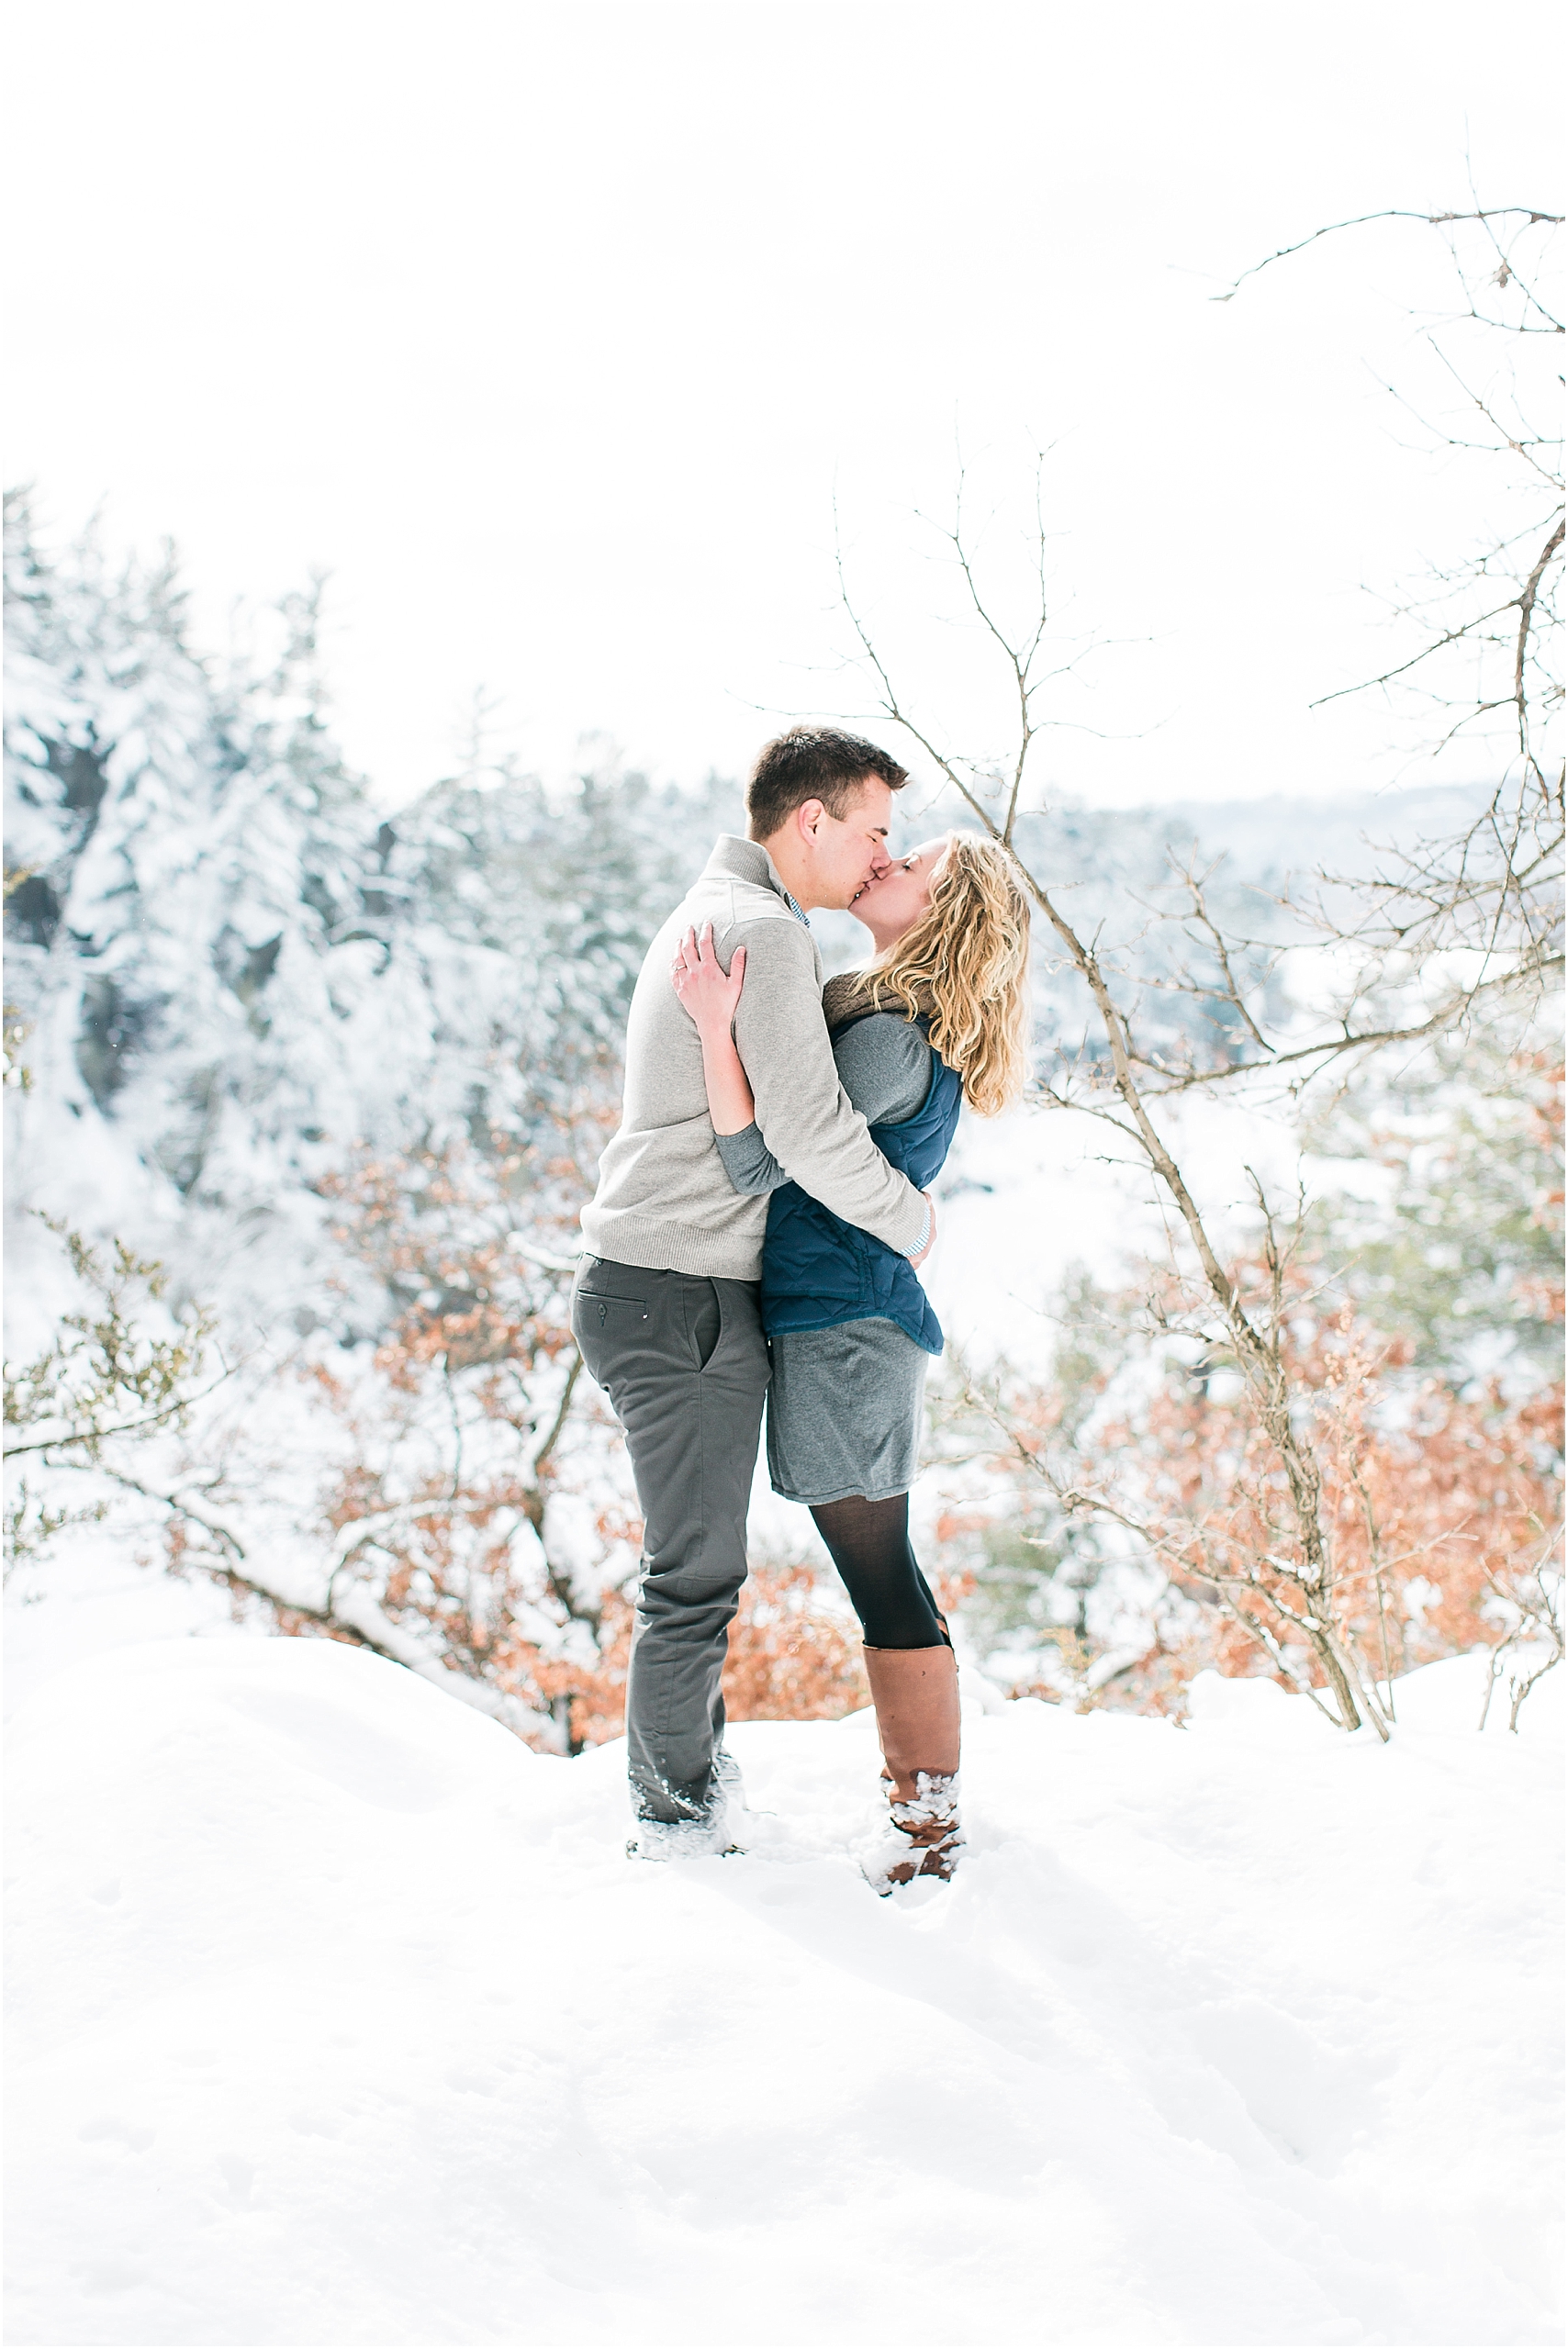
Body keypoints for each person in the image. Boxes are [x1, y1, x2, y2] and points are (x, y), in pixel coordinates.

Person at [571, 728, 936, 1859]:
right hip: (676, 1288)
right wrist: (912, 1222)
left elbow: (770, 1128)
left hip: (661, 1284)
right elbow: (814, 1132)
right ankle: (674, 1820)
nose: (882, 853)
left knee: (698, 1566)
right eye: (873, 829)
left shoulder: (716, 913)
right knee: (694, 1575)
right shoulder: (763, 934)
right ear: (809, 821)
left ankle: (689, 1788)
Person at [671, 831, 1031, 1885]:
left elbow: (753, 1158)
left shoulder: (887, 1040)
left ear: (944, 909)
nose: (886, 864)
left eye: (911, 863)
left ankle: (930, 1831)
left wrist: (711, 1028)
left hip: (845, 1334)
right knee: (890, 1577)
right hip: (844, 1328)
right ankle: (928, 1816)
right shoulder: (891, 1022)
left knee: (883, 1585)